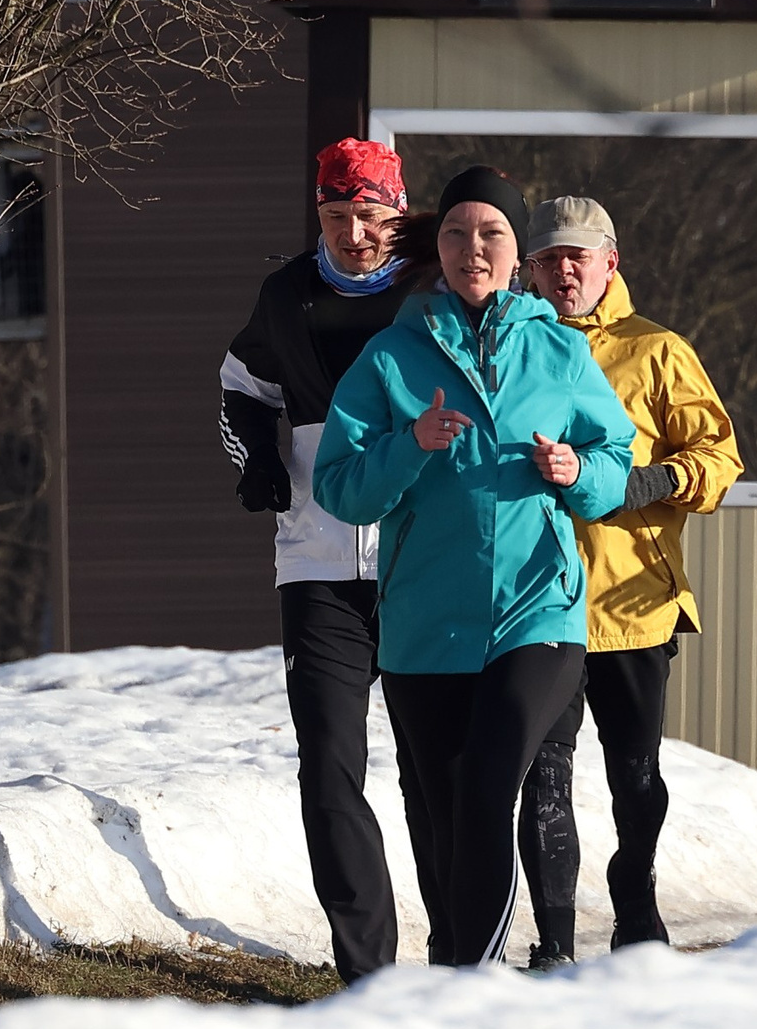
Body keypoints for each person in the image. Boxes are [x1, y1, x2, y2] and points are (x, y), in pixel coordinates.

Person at [314, 166, 636, 968]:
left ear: (517, 250)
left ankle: (475, 980)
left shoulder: (559, 350)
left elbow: (616, 457)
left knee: (490, 779)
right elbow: (339, 486)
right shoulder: (392, 356)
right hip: (426, 623)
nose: (471, 248)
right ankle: (456, 965)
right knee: (441, 809)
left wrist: (576, 473)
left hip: (539, 610)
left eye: (491, 233)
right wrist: (408, 446)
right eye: (456, 232)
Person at [514, 196, 743, 967]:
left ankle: (635, 896)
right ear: (530, 269)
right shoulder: (510, 347)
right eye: (549, 258)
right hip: (535, 601)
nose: (564, 269)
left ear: (612, 261)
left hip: (631, 599)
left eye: (579, 255)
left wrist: (649, 483)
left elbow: (720, 460)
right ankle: (552, 941)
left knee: (634, 777)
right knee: (542, 773)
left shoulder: (656, 350)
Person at [216, 136, 423, 983]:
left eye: (370, 217)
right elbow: (238, 382)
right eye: (337, 218)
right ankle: (367, 971)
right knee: (330, 765)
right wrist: (257, 460)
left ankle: (457, 950)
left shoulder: (431, 294)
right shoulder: (286, 294)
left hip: (424, 563)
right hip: (318, 566)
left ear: (397, 215)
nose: (354, 235)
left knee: (437, 769)